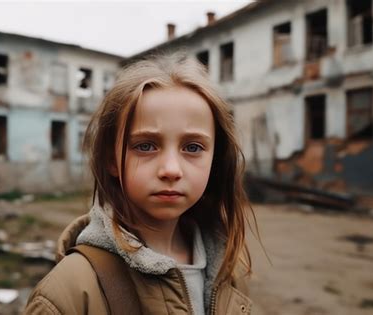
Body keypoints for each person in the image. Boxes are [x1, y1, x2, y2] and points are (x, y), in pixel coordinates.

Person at [24, 54, 255, 315]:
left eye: (192, 147)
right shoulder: (70, 294)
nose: (170, 170)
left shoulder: (229, 267)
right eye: (145, 146)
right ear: (112, 159)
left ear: (216, 159)